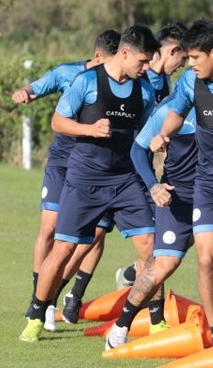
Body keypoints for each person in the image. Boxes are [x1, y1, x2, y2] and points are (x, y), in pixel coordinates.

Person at [105, 20, 213, 350]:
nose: (189, 63)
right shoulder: (188, 86)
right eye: (186, 57)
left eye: (194, 57)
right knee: (190, 261)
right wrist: (163, 138)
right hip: (195, 191)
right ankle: (206, 336)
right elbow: (164, 125)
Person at [19, 25, 161, 343]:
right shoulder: (86, 82)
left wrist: (159, 138)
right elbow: (58, 121)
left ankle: (157, 321)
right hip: (84, 180)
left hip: (125, 181)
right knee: (65, 248)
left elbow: (149, 127)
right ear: (124, 53)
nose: (146, 67)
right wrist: (89, 130)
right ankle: (37, 314)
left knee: (152, 248)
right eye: (142, 61)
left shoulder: (146, 90)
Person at [12, 30, 121, 331]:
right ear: (98, 57)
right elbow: (33, 89)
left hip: (95, 166)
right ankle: (39, 297)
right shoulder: (68, 74)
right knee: (50, 228)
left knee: (93, 235)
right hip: (63, 160)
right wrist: (24, 93)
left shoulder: (124, 83)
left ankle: (63, 297)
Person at [114, 21, 188, 290]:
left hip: (141, 169)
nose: (184, 64)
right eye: (183, 58)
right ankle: (57, 302)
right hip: (118, 170)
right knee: (87, 239)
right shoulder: (138, 78)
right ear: (173, 50)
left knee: (168, 237)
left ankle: (135, 279)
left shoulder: (166, 82)